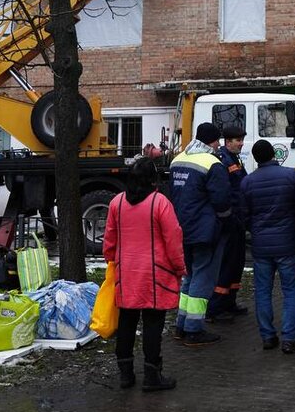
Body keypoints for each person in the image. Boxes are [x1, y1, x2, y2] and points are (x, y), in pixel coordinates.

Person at [102, 156, 185, 391]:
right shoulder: (160, 203)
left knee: (126, 323)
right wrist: (179, 267)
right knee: (152, 325)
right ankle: (152, 375)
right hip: (155, 275)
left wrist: (111, 259)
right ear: (153, 179)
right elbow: (173, 238)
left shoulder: (117, 203)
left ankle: (126, 374)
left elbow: (110, 238)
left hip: (126, 273)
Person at [168, 122, 232, 347]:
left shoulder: (178, 160)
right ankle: (194, 330)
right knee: (203, 278)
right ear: (213, 141)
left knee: (189, 276)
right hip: (205, 231)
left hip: (180, 229)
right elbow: (222, 201)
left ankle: (181, 324)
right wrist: (226, 221)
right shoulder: (212, 163)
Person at [240, 139, 295, 354]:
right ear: (274, 155)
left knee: (262, 292)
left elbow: (244, 215)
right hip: (288, 243)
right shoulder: (291, 176)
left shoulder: (247, 182)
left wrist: (256, 231)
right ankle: (290, 338)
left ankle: (268, 336)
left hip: (261, 247)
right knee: (290, 291)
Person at [207, 125, 249, 322]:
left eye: (241, 139)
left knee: (236, 263)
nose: (241, 143)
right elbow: (225, 193)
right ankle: (216, 307)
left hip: (238, 220)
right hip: (229, 221)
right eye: (237, 140)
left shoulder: (235, 158)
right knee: (226, 264)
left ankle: (230, 301)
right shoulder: (222, 160)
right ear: (228, 142)